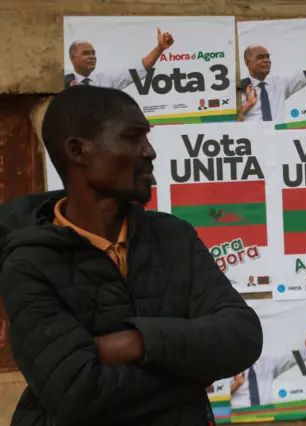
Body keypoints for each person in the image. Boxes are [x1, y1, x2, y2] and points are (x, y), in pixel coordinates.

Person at [0, 85, 262, 426]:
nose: (149, 152)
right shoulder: (28, 263)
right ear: (78, 151)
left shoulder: (173, 237)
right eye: (132, 137)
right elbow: (78, 391)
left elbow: (242, 336)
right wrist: (192, 374)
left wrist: (134, 342)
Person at [230, 309, 306, 409]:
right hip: (237, 420)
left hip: (265, 419)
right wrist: (235, 385)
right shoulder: (227, 365)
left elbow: (301, 351)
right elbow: (215, 399)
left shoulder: (266, 363)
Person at [241, 29, 306, 123]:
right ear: (248, 63)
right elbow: (227, 123)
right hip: (252, 142)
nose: (266, 60)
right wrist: (248, 105)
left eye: (268, 57)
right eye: (260, 57)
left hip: (279, 139)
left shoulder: (279, 83)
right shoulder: (238, 89)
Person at [64, 28, 174, 89]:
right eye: (86, 53)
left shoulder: (105, 80)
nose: (92, 57)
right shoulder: (62, 82)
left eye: (93, 53)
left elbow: (139, 69)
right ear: (72, 58)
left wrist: (159, 48)